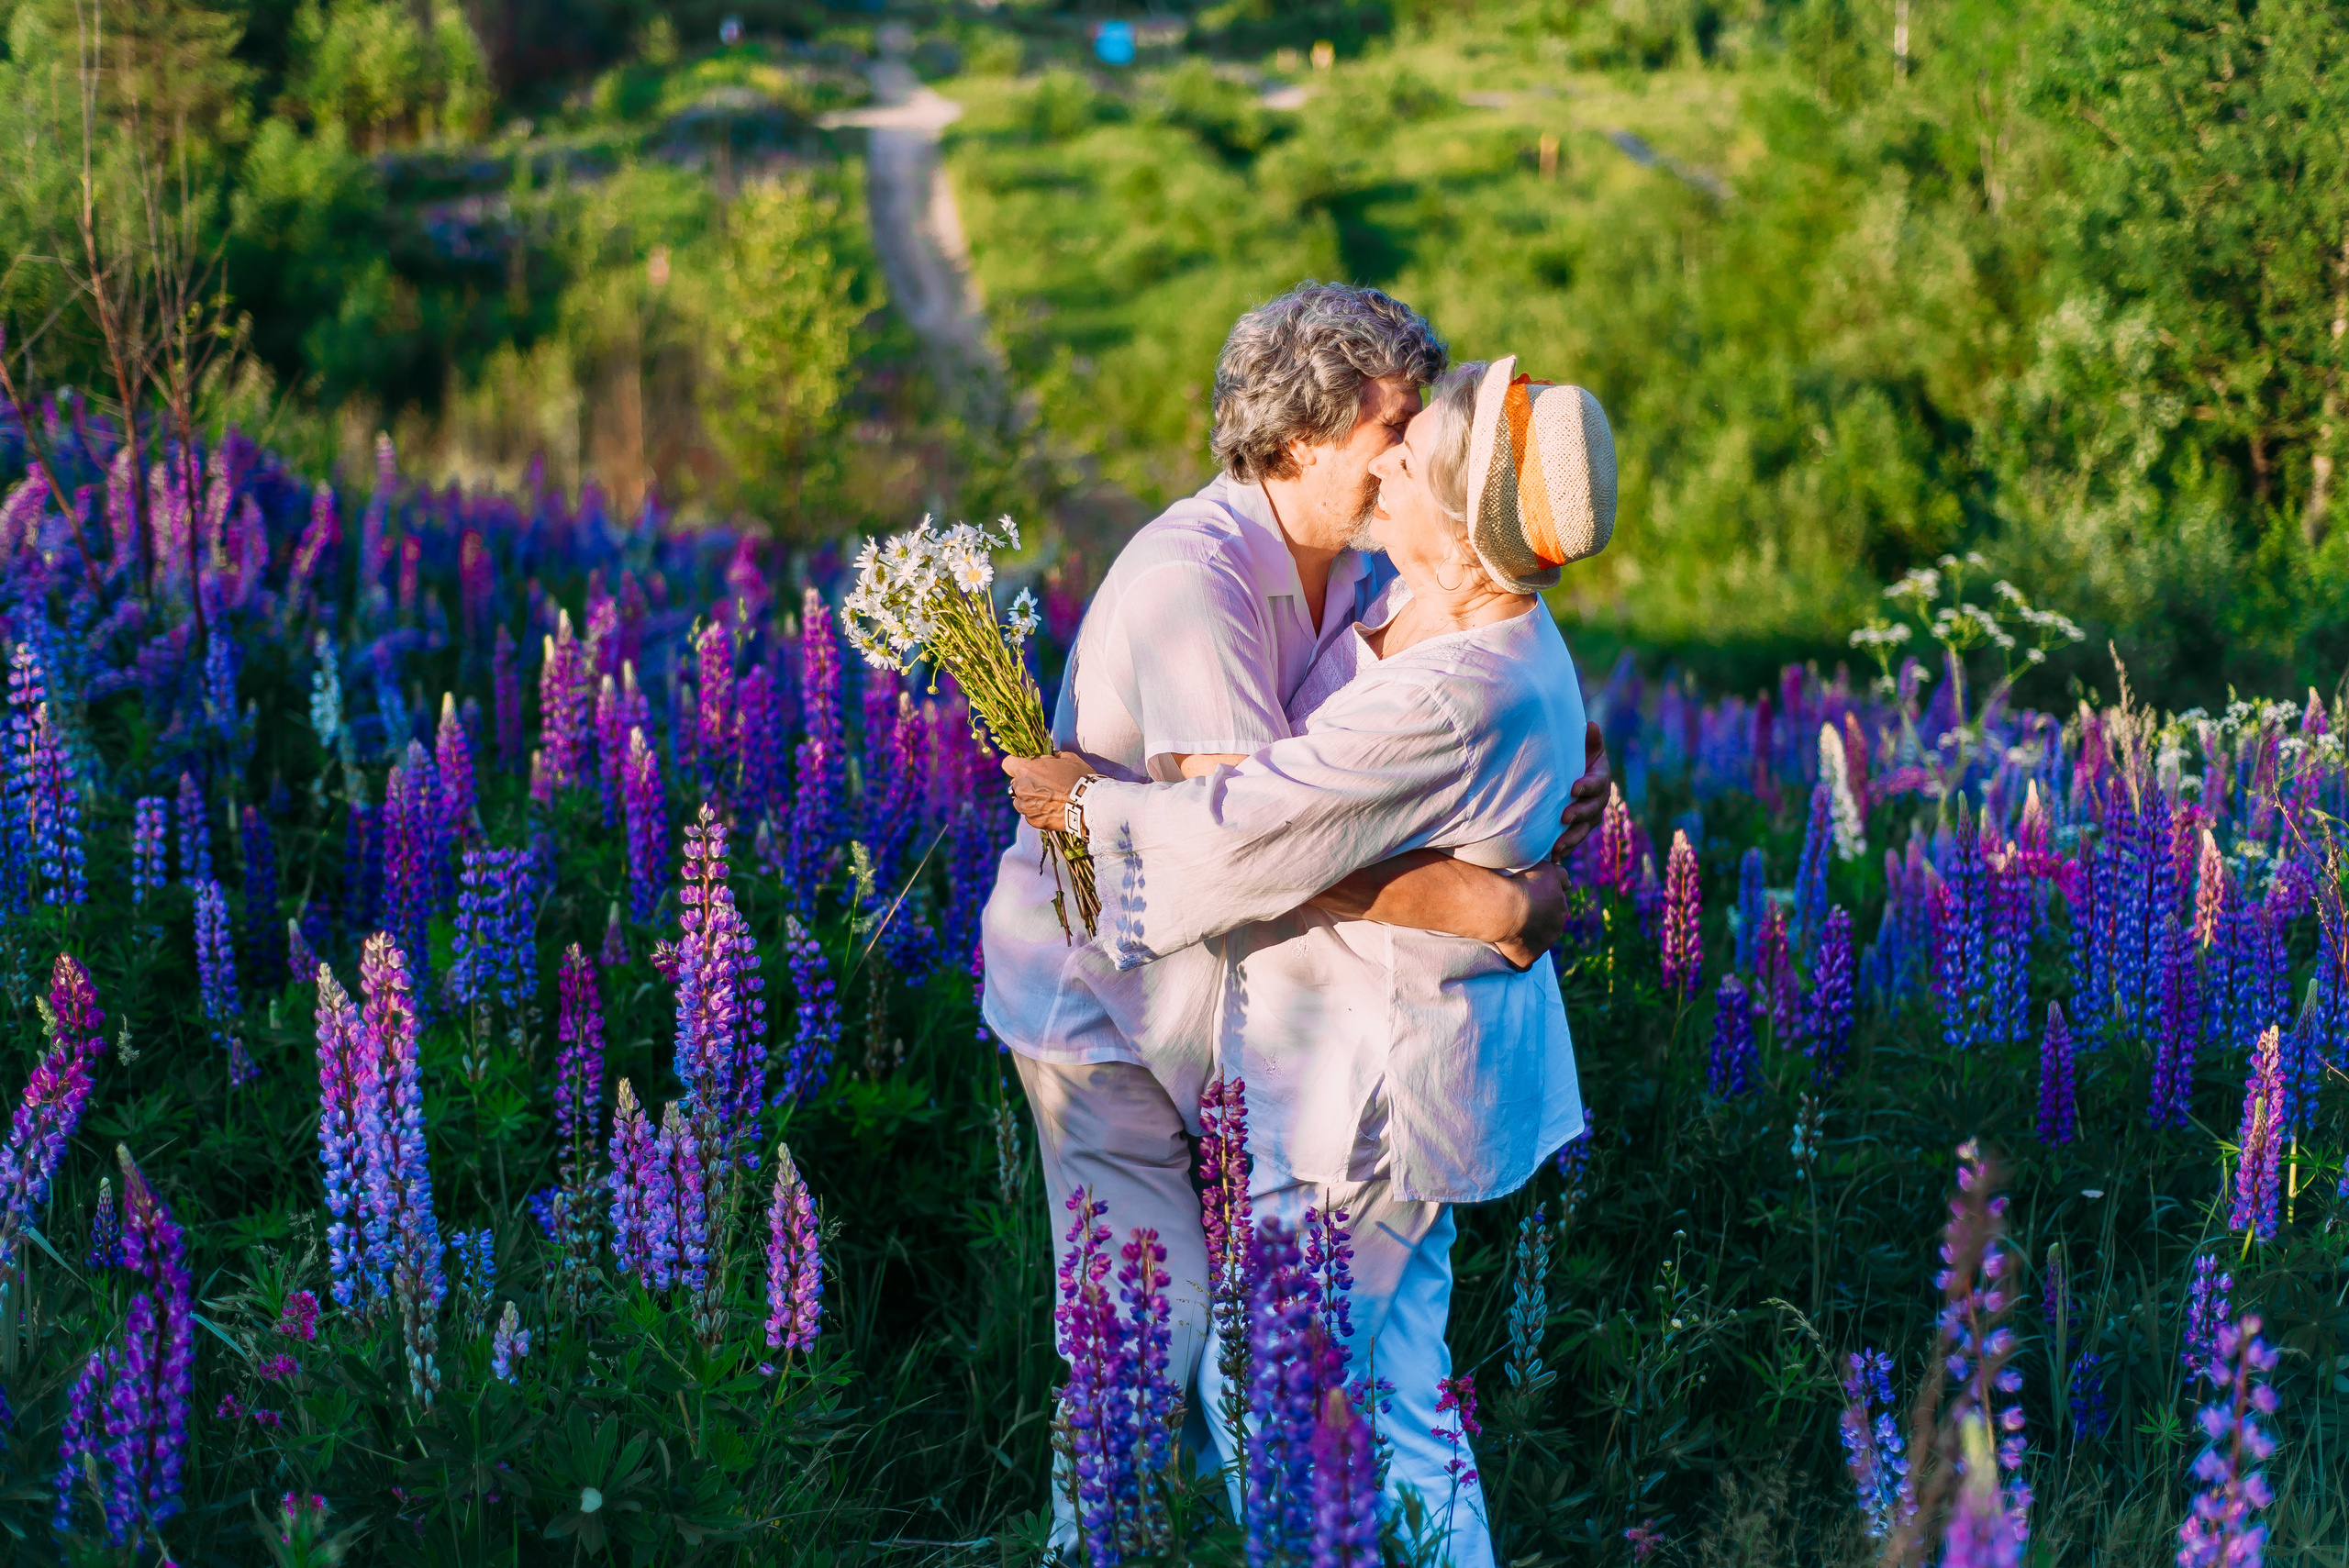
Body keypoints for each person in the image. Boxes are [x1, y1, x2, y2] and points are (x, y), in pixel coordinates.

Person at [977, 285, 1609, 1547]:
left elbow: (1276, 827)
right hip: (1112, 1000)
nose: (1409, 447)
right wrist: (1491, 888)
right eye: (1397, 425)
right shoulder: (1193, 583)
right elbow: (1253, 840)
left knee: (1279, 1380)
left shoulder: (1382, 574)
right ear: (1304, 440)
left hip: (1309, 1047)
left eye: (1429, 436)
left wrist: (1515, 830)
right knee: (1142, 1349)